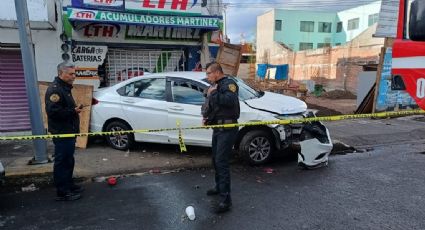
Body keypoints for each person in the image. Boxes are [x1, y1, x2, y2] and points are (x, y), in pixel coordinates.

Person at [202, 62, 240, 213]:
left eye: (209, 73)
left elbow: (230, 101)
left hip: (228, 128)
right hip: (218, 128)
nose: (207, 76)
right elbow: (212, 105)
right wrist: (205, 117)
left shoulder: (230, 84)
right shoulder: (214, 86)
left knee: (221, 162)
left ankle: (226, 200)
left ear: (217, 72)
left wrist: (214, 93)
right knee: (215, 160)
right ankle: (219, 187)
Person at [45, 62, 84, 201]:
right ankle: (63, 191)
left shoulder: (65, 88)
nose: (74, 76)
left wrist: (73, 110)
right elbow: (53, 112)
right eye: (71, 74)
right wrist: (73, 111)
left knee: (69, 160)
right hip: (62, 132)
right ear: (61, 73)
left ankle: (69, 184)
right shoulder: (55, 90)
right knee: (62, 161)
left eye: (75, 73)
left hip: (69, 131)